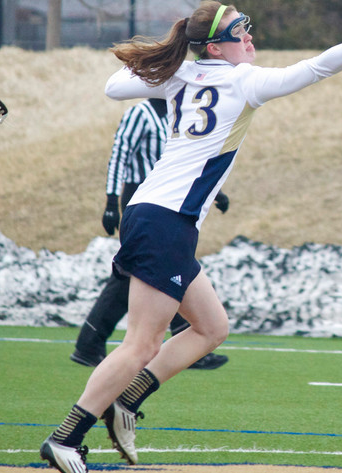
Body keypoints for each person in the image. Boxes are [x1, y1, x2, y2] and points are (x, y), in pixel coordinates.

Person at [39, 0, 342, 471]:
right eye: (241, 32)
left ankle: (127, 401)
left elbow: (114, 86)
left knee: (211, 328)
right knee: (141, 343)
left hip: (158, 217)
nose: (250, 39)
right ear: (217, 47)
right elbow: (317, 68)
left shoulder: (185, 75)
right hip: (164, 219)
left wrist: (179, 67)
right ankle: (66, 436)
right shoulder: (243, 80)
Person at [72, 97, 230, 371]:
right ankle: (89, 344)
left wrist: (215, 192)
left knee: (161, 270)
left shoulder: (176, 114)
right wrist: (111, 201)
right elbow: (119, 155)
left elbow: (183, 161)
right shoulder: (139, 113)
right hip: (140, 198)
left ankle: (90, 345)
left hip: (169, 199)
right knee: (147, 273)